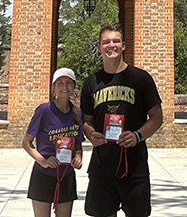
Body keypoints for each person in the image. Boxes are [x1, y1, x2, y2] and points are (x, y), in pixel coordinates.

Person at [81, 23, 163, 217]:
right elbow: (86, 120)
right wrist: (90, 133)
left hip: (134, 164)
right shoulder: (91, 82)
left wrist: (137, 135)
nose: (112, 45)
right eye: (106, 42)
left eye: (116, 41)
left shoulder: (141, 78)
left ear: (123, 45)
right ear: (99, 47)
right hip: (102, 164)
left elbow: (157, 117)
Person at [23, 68, 84, 217]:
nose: (65, 87)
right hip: (43, 175)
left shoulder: (77, 113)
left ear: (74, 87)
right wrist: (43, 161)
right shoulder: (44, 110)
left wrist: (78, 157)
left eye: (69, 83)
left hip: (66, 175)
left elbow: (78, 144)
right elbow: (26, 143)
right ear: (53, 87)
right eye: (60, 83)